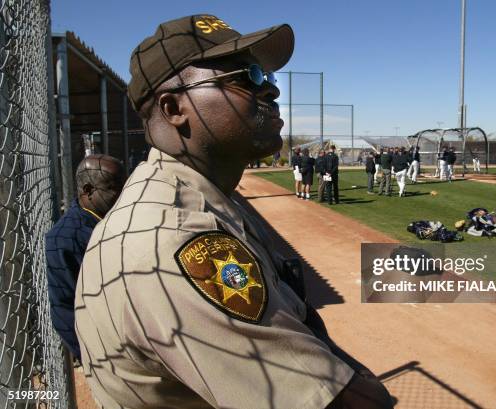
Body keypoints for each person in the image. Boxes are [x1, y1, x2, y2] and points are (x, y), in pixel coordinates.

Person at [74, 14, 391, 409]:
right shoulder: (175, 237)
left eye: (269, 79)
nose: (270, 92)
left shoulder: (204, 195)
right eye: (248, 76)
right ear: (174, 108)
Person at [45, 154, 125, 362]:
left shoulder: (118, 218)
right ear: (88, 191)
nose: (124, 194)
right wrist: (93, 358)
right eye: (116, 188)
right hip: (109, 350)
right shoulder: (64, 240)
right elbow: (63, 308)